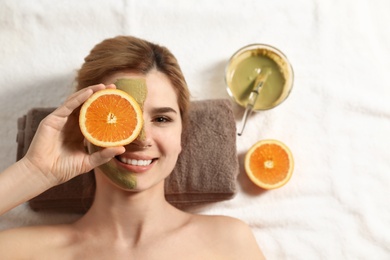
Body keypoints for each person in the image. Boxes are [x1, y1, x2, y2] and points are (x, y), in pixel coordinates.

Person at [0, 36, 265, 259]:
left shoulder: (228, 243)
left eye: (161, 119)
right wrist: (35, 172)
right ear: (86, 127)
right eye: (118, 117)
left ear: (181, 133)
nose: (140, 138)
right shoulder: (23, 250)